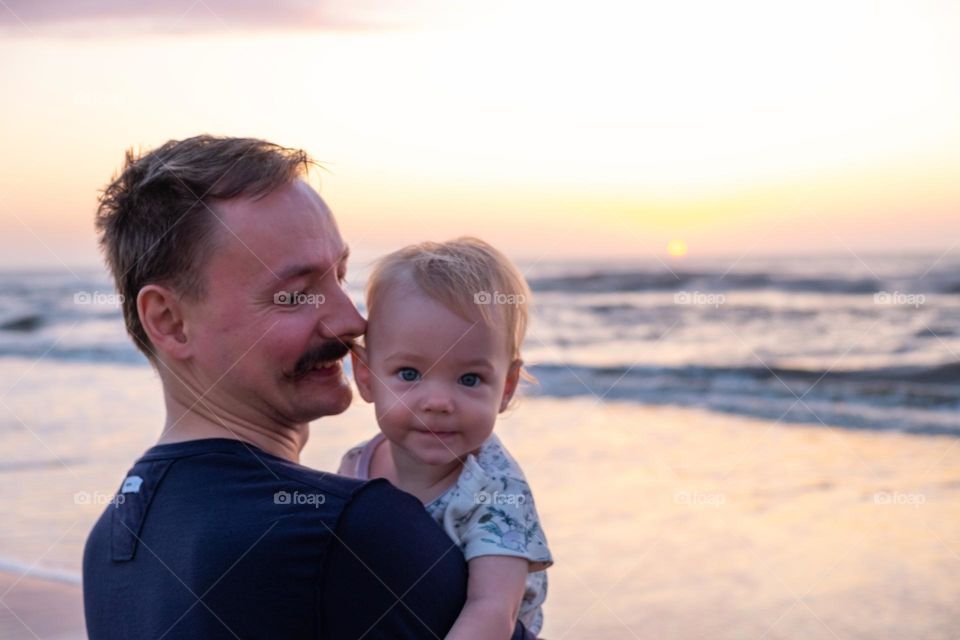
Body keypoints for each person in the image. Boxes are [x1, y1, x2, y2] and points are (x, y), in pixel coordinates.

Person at [82, 135, 535, 639]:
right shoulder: (353, 529)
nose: (352, 321)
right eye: (296, 295)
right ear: (169, 321)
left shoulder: (113, 538)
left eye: (340, 276)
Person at [338, 238, 553, 638]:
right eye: (408, 373)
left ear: (505, 388)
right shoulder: (358, 463)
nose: (438, 402)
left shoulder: (495, 492)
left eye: (469, 379)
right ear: (365, 375)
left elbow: (492, 611)